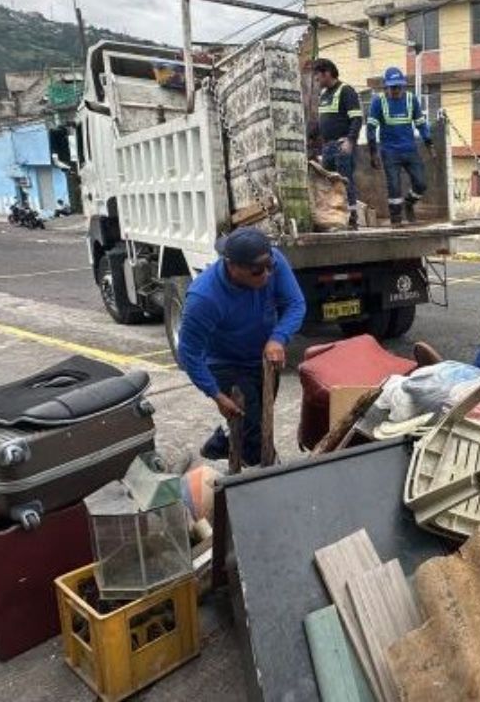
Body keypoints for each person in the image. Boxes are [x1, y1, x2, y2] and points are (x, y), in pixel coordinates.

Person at [177, 228, 307, 466]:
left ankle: (221, 442)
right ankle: (267, 478)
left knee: (257, 418)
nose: (267, 275)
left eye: (270, 267)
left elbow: (295, 303)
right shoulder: (204, 299)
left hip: (263, 358)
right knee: (255, 436)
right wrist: (215, 394)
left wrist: (278, 338)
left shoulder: (273, 262)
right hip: (225, 363)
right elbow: (188, 353)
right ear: (232, 266)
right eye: (258, 271)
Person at [367, 66, 435, 226]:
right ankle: (396, 220)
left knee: (421, 183)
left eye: (399, 86)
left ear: (403, 86)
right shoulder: (378, 102)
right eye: (392, 87)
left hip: (410, 150)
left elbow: (421, 124)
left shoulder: (412, 100)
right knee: (394, 187)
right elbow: (371, 129)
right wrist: (373, 153)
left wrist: (429, 144)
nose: (396, 90)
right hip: (389, 152)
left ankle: (409, 203)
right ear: (386, 87)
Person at [313, 58, 364, 229]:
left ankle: (352, 219)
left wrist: (350, 140)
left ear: (327, 73)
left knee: (344, 183)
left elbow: (357, 118)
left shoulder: (346, 91)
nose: (317, 80)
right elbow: (320, 124)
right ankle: (335, 219)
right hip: (327, 147)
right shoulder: (324, 95)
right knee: (329, 186)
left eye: (318, 77)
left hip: (341, 146)